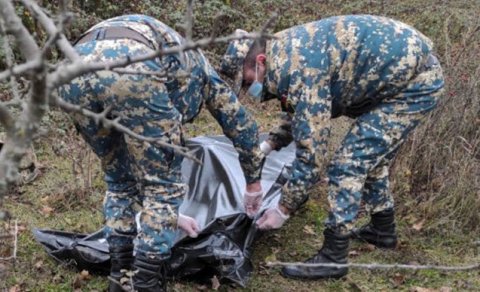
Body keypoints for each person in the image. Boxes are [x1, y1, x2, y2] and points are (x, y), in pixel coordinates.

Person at [220, 15, 444, 280]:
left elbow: (311, 153)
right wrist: (270, 144)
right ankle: (383, 230)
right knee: (371, 158)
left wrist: (283, 209)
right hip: (398, 77)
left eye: (246, 82)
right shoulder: (283, 52)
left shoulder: (298, 66)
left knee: (348, 164)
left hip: (414, 85)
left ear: (260, 62)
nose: (248, 91)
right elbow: (301, 111)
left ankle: (333, 257)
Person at [58, 15, 265, 291]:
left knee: (119, 180)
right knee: (164, 186)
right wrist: (253, 183)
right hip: (130, 64)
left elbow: (138, 160)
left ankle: (120, 278)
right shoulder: (204, 72)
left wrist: (170, 216)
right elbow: (244, 129)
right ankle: (146, 283)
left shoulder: (179, 56)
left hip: (71, 68)